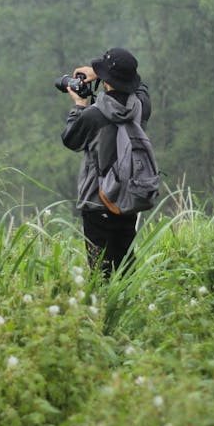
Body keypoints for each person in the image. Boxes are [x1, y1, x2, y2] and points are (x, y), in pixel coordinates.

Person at [61, 47, 151, 275]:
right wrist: (104, 73)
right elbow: (141, 88)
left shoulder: (93, 115)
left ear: (107, 81)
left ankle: (105, 309)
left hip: (97, 202)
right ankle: (130, 306)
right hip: (128, 200)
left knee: (100, 272)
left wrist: (79, 105)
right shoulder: (140, 106)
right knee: (125, 267)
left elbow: (71, 139)